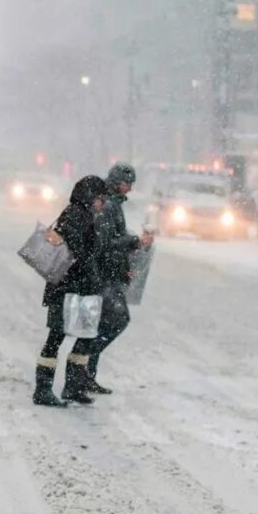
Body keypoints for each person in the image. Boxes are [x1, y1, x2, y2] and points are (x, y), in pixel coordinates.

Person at [34, 175, 108, 407]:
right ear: (90, 196)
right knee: (56, 337)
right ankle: (43, 389)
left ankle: (73, 387)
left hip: (78, 288)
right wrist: (93, 275)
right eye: (100, 198)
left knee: (85, 335)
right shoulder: (76, 215)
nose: (102, 203)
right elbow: (78, 253)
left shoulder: (83, 215)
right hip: (67, 288)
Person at [87, 163, 154, 394]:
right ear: (117, 182)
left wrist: (133, 241)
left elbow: (113, 236)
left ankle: (85, 372)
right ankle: (83, 364)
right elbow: (106, 243)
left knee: (102, 324)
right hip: (105, 274)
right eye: (127, 183)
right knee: (117, 320)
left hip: (109, 272)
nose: (130, 189)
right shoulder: (108, 205)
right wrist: (135, 242)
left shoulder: (111, 203)